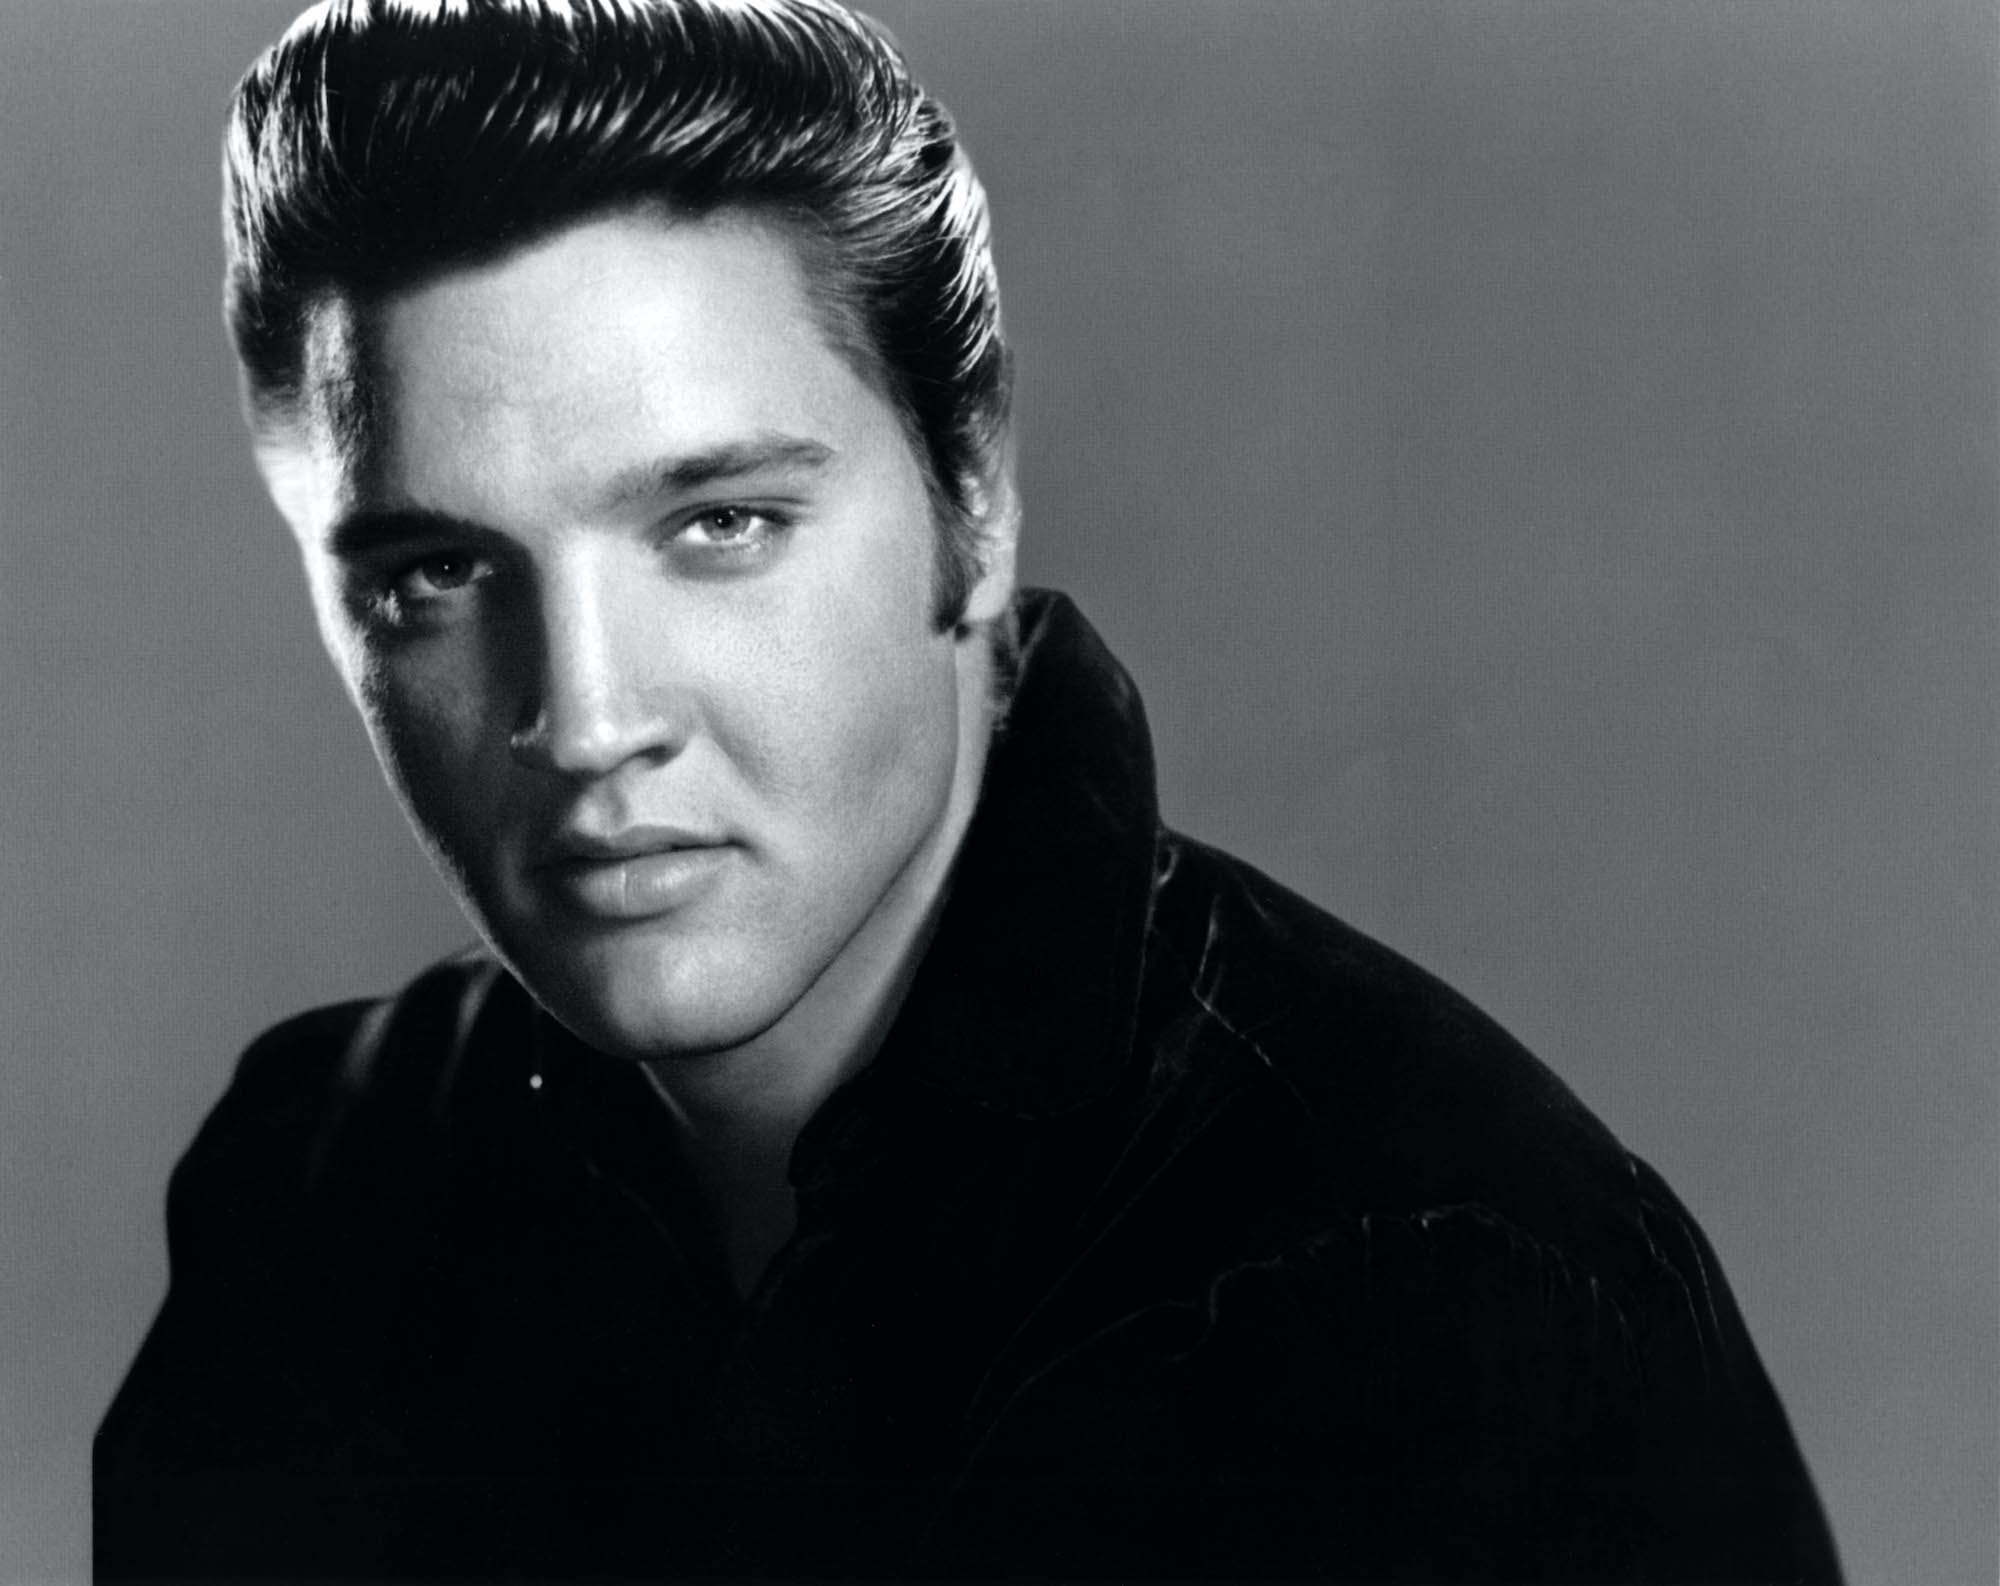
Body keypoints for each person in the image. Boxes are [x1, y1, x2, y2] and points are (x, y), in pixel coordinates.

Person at [95, 1, 1841, 1579]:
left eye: (720, 524)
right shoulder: (309, 1192)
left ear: (975, 497)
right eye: (435, 574)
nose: (589, 718)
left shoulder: (1455, 1288)